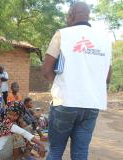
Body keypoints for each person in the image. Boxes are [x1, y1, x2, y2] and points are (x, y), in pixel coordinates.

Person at [42, 2, 112, 160]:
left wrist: (62, 87)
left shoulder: (63, 34)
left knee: (55, 150)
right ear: (88, 16)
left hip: (65, 102)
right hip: (92, 105)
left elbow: (46, 70)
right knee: (80, 153)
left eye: (68, 15)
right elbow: (107, 77)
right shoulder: (105, 41)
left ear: (71, 15)